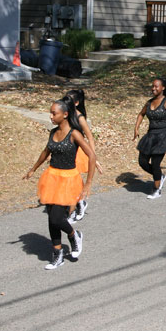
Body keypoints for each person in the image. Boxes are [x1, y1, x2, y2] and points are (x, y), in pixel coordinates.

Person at [24, 98, 96, 270]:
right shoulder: (53, 132)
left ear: (64, 115)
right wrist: (33, 169)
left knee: (57, 217)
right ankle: (58, 254)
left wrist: (88, 184)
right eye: (50, 112)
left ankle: (74, 235)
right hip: (51, 177)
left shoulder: (74, 134)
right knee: (51, 216)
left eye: (53, 113)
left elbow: (91, 156)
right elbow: (46, 151)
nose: (50, 116)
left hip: (69, 179)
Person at [133, 78, 166, 199]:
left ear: (163, 88)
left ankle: (156, 189)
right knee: (143, 162)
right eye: (152, 86)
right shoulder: (149, 102)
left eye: (156, 86)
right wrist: (136, 128)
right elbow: (141, 114)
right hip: (150, 136)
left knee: (155, 164)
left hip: (162, 137)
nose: (153, 88)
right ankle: (160, 176)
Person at [64, 89, 103, 223]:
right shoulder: (65, 114)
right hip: (67, 149)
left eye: (69, 99)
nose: (65, 101)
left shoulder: (79, 117)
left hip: (78, 151)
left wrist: (94, 158)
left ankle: (73, 211)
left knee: (72, 181)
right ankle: (80, 201)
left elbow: (90, 138)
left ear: (76, 103)